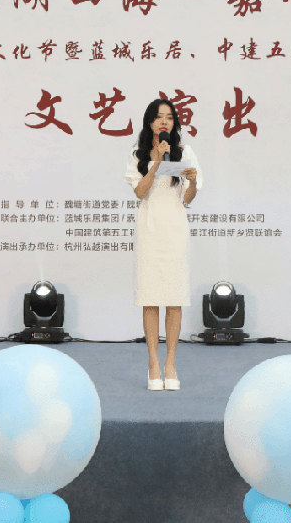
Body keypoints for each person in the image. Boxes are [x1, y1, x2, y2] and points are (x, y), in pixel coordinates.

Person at [124, 98, 202, 391]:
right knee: (150, 296)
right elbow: (140, 192)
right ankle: (153, 363)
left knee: (174, 297)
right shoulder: (138, 154)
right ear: (150, 122)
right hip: (149, 229)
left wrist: (192, 181)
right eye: (159, 117)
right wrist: (156, 162)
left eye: (169, 117)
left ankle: (170, 364)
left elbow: (188, 198)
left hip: (175, 230)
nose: (164, 122)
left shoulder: (185, 152)